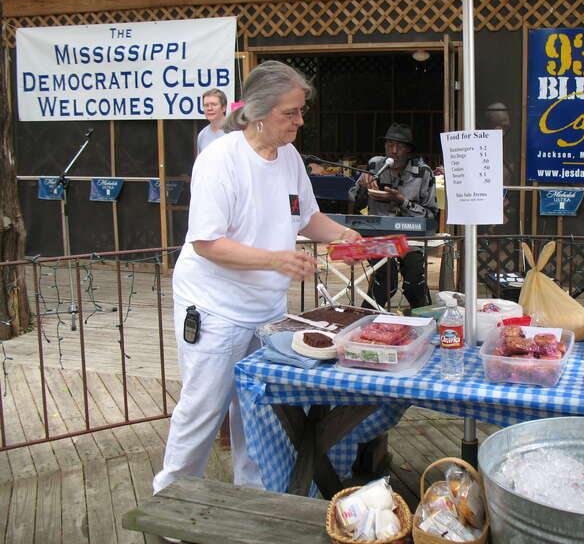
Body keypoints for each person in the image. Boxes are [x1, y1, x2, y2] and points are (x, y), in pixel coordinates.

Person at [153, 61, 360, 494]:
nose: (300, 121)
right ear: (260, 112)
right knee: (202, 410)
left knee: (258, 411)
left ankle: (253, 495)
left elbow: (306, 217)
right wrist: (276, 261)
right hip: (214, 307)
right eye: (291, 113)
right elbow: (207, 243)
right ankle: (170, 496)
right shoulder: (220, 159)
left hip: (265, 309)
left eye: (301, 111)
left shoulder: (289, 157)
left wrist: (343, 234)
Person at [349, 123, 438, 310]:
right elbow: (355, 203)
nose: (394, 151)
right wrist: (363, 188)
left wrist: (401, 201)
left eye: (400, 146)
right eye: (390, 145)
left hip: (410, 237)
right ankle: (368, 316)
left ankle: (422, 316)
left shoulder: (423, 172)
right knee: (385, 277)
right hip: (377, 235)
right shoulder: (375, 165)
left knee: (414, 277)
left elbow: (430, 216)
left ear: (409, 150)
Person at [196, 88, 228, 155]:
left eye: (214, 104)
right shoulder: (202, 135)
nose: (209, 108)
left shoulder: (235, 131)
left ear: (224, 108)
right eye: (206, 105)